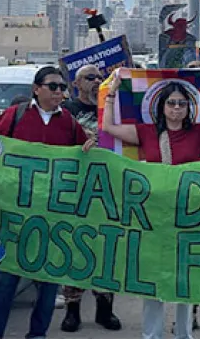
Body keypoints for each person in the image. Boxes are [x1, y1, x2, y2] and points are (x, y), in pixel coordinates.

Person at [101, 72, 200, 339]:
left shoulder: (199, 132)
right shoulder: (146, 132)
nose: (176, 108)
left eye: (182, 103)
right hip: (154, 215)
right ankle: (151, 334)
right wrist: (111, 93)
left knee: (185, 279)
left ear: (189, 108)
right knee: (153, 277)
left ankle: (184, 333)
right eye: (171, 103)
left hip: (189, 215)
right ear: (161, 106)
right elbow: (108, 127)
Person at [0, 67, 96, 339]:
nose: (59, 92)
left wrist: (91, 146)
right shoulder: (15, 115)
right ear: (37, 89)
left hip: (52, 217)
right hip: (15, 214)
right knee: (4, 283)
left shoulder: (68, 122)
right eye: (53, 86)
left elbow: (84, 154)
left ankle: (37, 334)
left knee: (48, 282)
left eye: (62, 87)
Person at [56, 64, 122, 332]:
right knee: (74, 250)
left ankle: (105, 310)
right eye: (90, 77)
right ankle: (72, 311)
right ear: (76, 84)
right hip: (77, 191)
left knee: (107, 251)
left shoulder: (113, 109)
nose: (97, 81)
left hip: (109, 191)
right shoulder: (67, 112)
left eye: (100, 77)